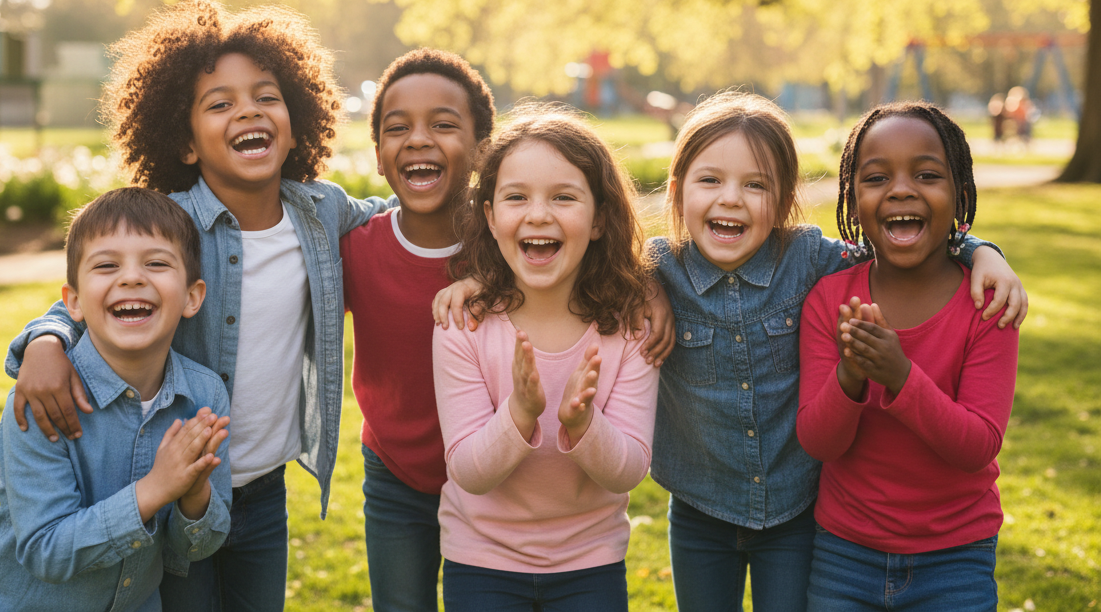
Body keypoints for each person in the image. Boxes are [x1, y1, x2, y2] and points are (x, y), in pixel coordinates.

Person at [2, 0, 392, 612]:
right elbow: (99, 289)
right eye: (220, 104)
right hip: (172, 482)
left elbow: (399, 223)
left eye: (266, 96)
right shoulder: (169, 224)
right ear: (185, 143)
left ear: (296, 120)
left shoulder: (322, 210)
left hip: (263, 490)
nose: (248, 111)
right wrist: (45, 341)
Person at [645, 91, 1027, 612]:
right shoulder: (658, 271)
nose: (730, 198)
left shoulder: (813, 262)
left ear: (782, 203)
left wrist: (980, 248)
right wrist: (643, 281)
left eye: (755, 185)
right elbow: (601, 254)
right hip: (701, 508)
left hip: (798, 515)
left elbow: (893, 239)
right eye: (710, 180)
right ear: (677, 191)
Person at [0, 187, 231, 612]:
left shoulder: (205, 394)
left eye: (156, 263)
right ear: (74, 302)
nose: (131, 278)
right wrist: (156, 489)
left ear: (193, 297)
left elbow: (196, 548)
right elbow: (46, 550)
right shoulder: (43, 399)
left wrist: (193, 496)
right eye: (107, 266)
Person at [432, 105, 661, 612]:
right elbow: (469, 471)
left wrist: (583, 423)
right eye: (517, 197)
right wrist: (520, 412)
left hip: (591, 563)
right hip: (482, 561)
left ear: (600, 218)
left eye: (563, 197)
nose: (538, 214)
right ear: (490, 217)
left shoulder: (631, 327)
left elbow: (628, 472)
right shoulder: (462, 325)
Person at [797, 102, 1019, 610]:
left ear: (960, 196)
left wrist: (901, 377)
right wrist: (850, 376)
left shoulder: (988, 303)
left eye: (926, 174)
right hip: (844, 555)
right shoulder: (829, 301)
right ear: (852, 203)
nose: (901, 189)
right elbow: (819, 441)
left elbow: (977, 445)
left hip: (955, 559)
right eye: (876, 177)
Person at [342, 48, 495, 611]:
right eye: (397, 128)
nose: (418, 139)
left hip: (494, 475)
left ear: (482, 150)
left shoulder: (514, 244)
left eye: (443, 124)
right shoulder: (355, 249)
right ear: (380, 156)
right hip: (394, 477)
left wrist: (652, 289)